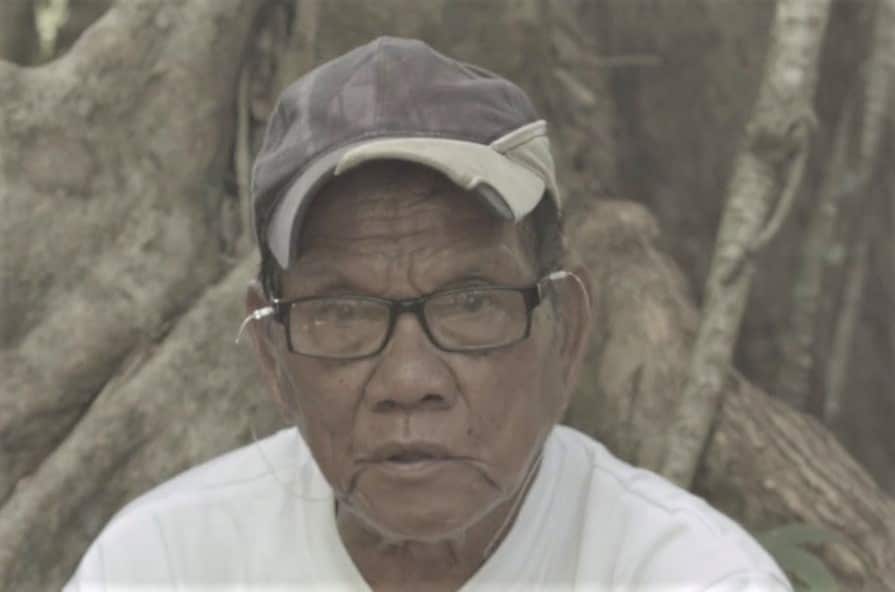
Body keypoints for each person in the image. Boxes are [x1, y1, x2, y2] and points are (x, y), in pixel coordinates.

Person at [65, 37, 790, 591]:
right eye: (342, 311)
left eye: (471, 303)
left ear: (564, 331)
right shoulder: (161, 567)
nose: (408, 379)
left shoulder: (687, 576)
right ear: (273, 358)